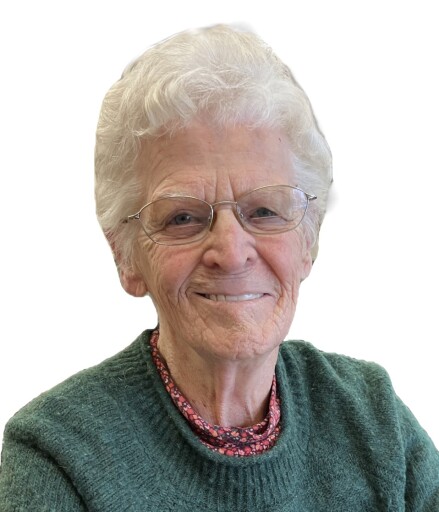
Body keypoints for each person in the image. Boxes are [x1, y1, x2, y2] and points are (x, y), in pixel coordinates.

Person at [0, 24, 438, 512]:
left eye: (264, 211)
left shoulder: (374, 421)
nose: (231, 252)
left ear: (309, 239)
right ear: (126, 256)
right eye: (183, 218)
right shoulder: (57, 453)